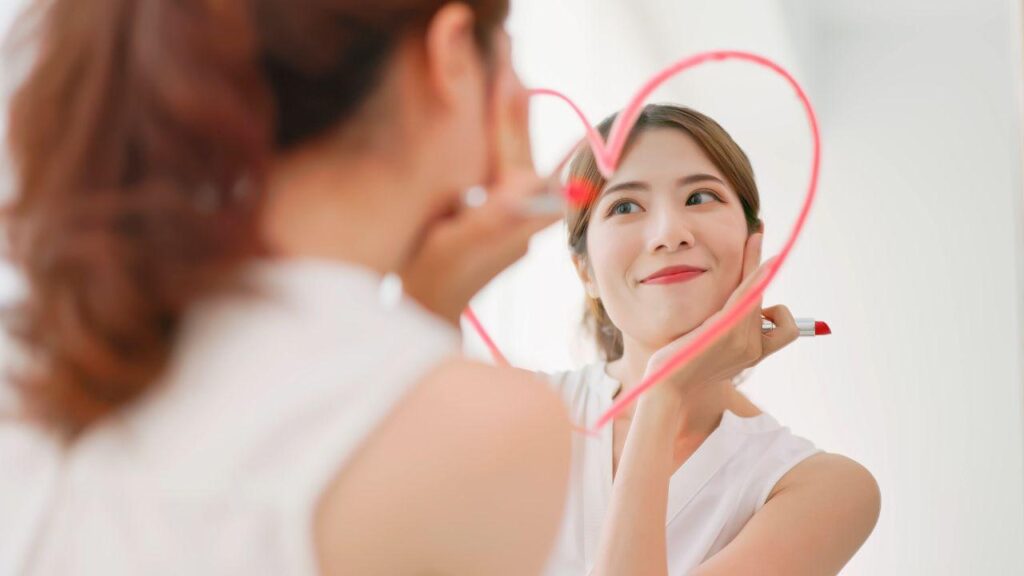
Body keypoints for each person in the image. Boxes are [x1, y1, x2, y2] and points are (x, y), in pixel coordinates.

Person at [0, 1, 572, 574]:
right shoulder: (490, 430)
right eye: (507, 54)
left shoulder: (49, 338)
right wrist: (425, 319)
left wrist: (428, 310)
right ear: (452, 54)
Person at [542, 104, 881, 575]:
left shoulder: (823, 488)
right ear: (585, 271)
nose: (669, 234)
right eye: (625, 206)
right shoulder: (513, 411)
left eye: (700, 197)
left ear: (752, 240)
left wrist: (662, 393)